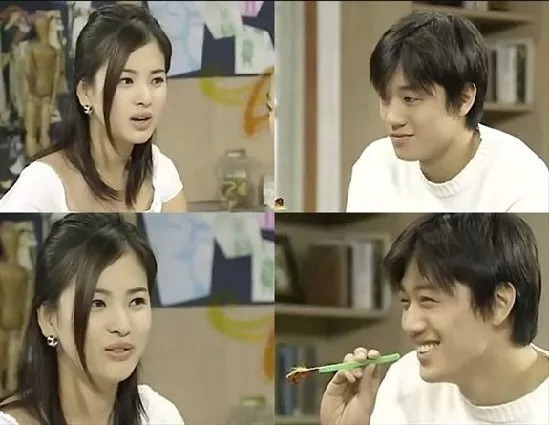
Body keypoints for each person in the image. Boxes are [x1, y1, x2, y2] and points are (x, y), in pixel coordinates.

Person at [320, 213, 548, 425]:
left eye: (428, 299)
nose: (409, 325)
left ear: (499, 303)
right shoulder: (406, 382)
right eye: (405, 302)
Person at [346, 11, 549, 213]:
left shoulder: (521, 179)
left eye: (410, 99)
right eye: (384, 98)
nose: (392, 118)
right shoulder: (375, 165)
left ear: (464, 99)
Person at [0, 4, 187, 213]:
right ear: (85, 93)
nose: (145, 98)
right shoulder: (41, 184)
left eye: (157, 80)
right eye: (126, 80)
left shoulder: (162, 172)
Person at [0, 214, 185, 425]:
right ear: (48, 319)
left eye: (136, 301)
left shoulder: (158, 417)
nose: (122, 326)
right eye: (97, 303)